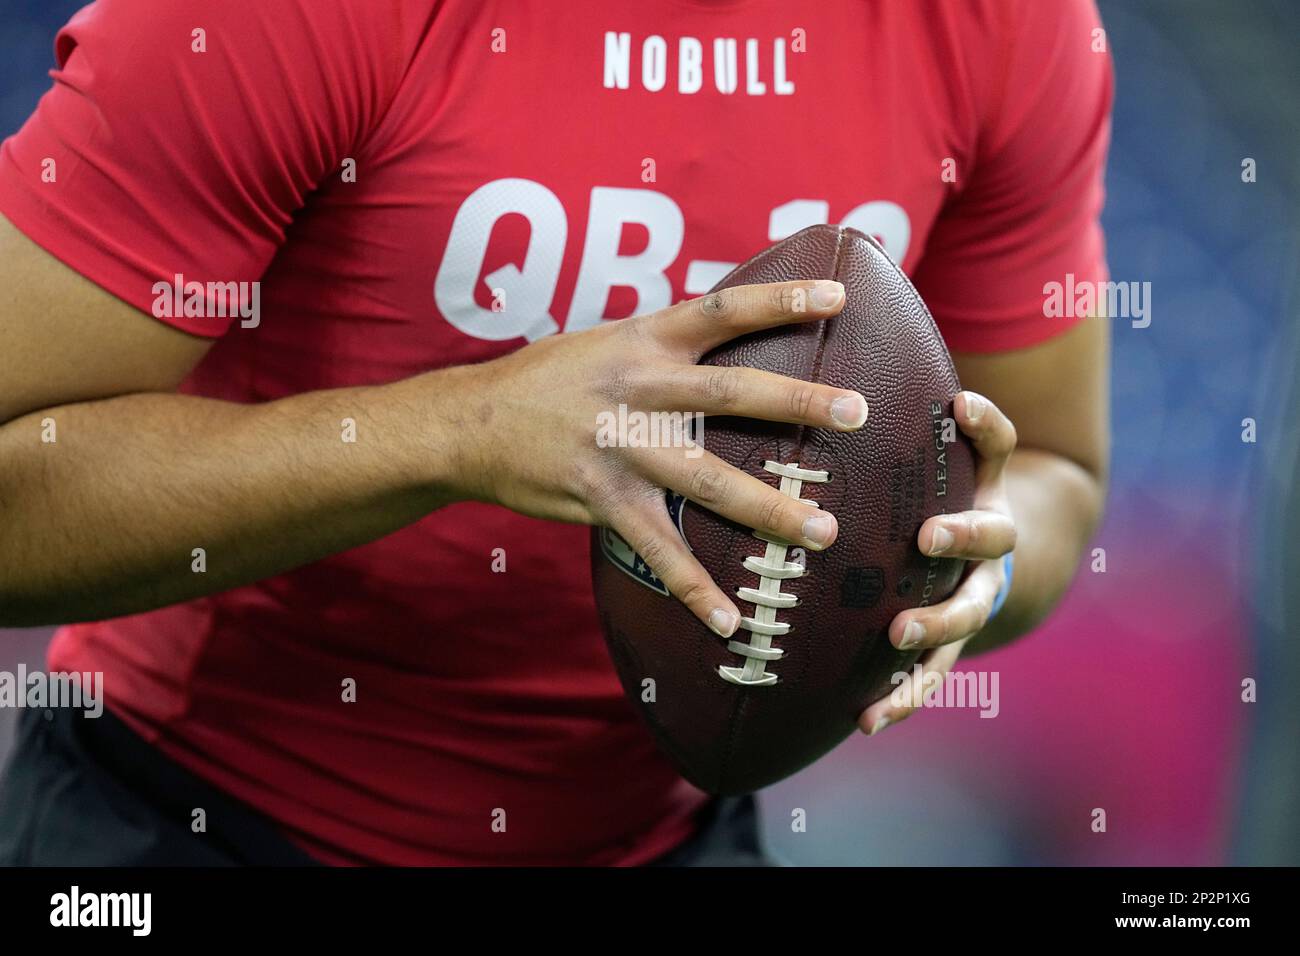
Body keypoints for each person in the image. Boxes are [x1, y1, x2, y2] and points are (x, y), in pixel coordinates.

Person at [0, 0, 1111, 865]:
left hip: (669, 831)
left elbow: (1055, 469)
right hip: (191, 811)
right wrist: (458, 427)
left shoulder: (1004, 24)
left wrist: (977, 560)